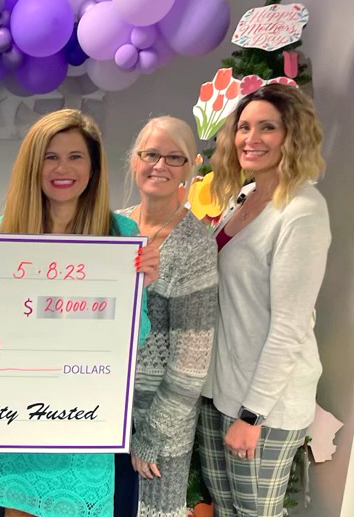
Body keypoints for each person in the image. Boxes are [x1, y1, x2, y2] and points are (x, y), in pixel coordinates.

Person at [0, 108, 159, 517]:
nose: (62, 168)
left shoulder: (120, 235)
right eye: (50, 156)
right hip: (16, 413)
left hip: (81, 417)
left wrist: (141, 287)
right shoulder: (8, 230)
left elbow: (134, 338)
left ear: (93, 166)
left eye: (75, 156)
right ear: (34, 165)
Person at [198, 84, 330, 517]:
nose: (250, 138)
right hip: (223, 392)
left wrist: (252, 416)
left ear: (292, 135)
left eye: (267, 128)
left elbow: (289, 326)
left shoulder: (302, 210)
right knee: (226, 509)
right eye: (244, 127)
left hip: (264, 407)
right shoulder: (244, 196)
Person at [114, 116, 218, 517]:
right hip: (107, 413)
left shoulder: (195, 244)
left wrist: (151, 437)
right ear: (135, 160)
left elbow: (191, 362)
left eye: (173, 158)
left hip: (158, 426)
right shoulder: (114, 227)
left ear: (189, 169)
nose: (160, 165)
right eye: (151, 154)